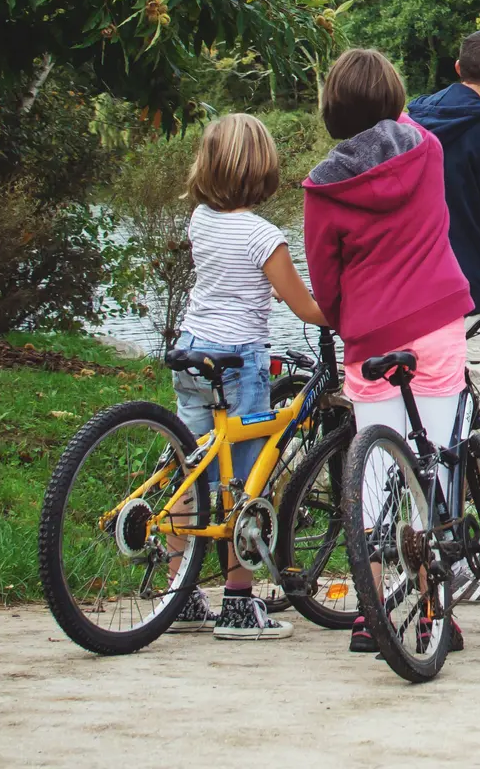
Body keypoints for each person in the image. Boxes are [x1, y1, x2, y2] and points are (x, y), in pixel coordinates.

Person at [303, 48, 475, 654]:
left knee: (374, 469)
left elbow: (324, 277)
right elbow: (408, 123)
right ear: (396, 101)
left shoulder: (323, 186)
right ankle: (434, 612)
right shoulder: (427, 151)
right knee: (436, 462)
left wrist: (345, 319)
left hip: (371, 337)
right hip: (436, 326)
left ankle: (370, 614)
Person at [169, 113, 326, 641]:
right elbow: (303, 307)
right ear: (263, 167)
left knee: (192, 471)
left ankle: (181, 594)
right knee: (244, 483)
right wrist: (349, 314)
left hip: (193, 353)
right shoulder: (263, 235)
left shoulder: (201, 220)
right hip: (238, 362)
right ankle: (238, 600)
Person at [406, 28, 480, 408]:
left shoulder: (412, 119)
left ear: (458, 67)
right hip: (470, 296)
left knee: (416, 411)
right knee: (469, 414)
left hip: (411, 290)